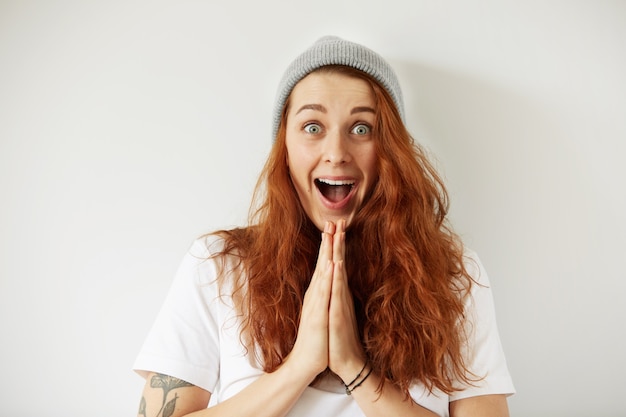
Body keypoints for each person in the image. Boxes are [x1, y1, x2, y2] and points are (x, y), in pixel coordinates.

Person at [133, 36, 515, 417]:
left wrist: (356, 369)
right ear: (284, 146)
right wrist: (301, 365)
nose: (336, 153)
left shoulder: (454, 275)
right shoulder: (217, 266)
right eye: (313, 127)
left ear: (391, 149)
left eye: (362, 128)